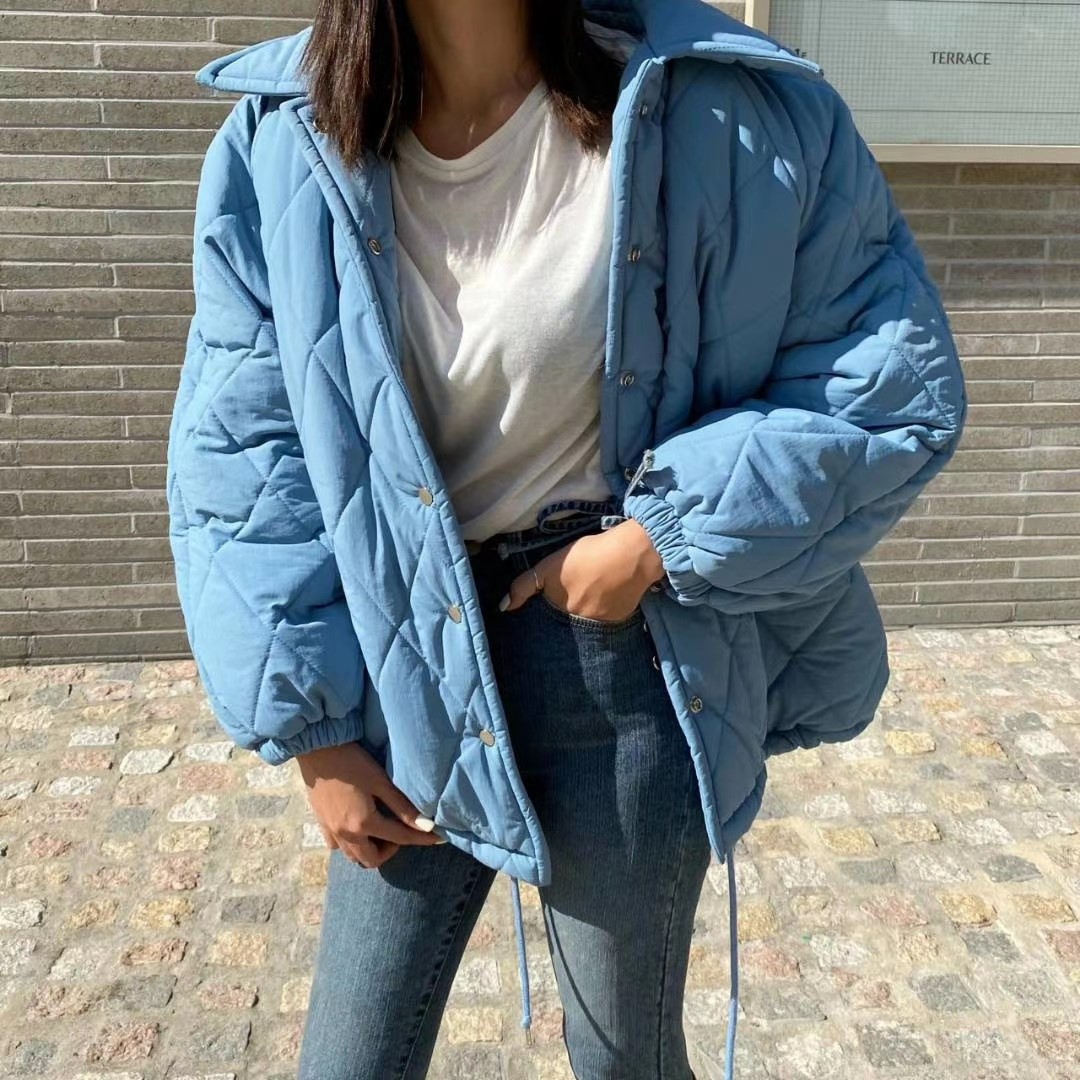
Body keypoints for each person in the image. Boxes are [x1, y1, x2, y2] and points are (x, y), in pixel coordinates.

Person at [166, 1, 968, 1077]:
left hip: (620, 661)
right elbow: (242, 450)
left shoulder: (728, 110)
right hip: (407, 670)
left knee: (623, 1058)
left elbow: (889, 388)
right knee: (349, 1058)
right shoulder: (283, 139)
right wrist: (312, 729)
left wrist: (656, 540)